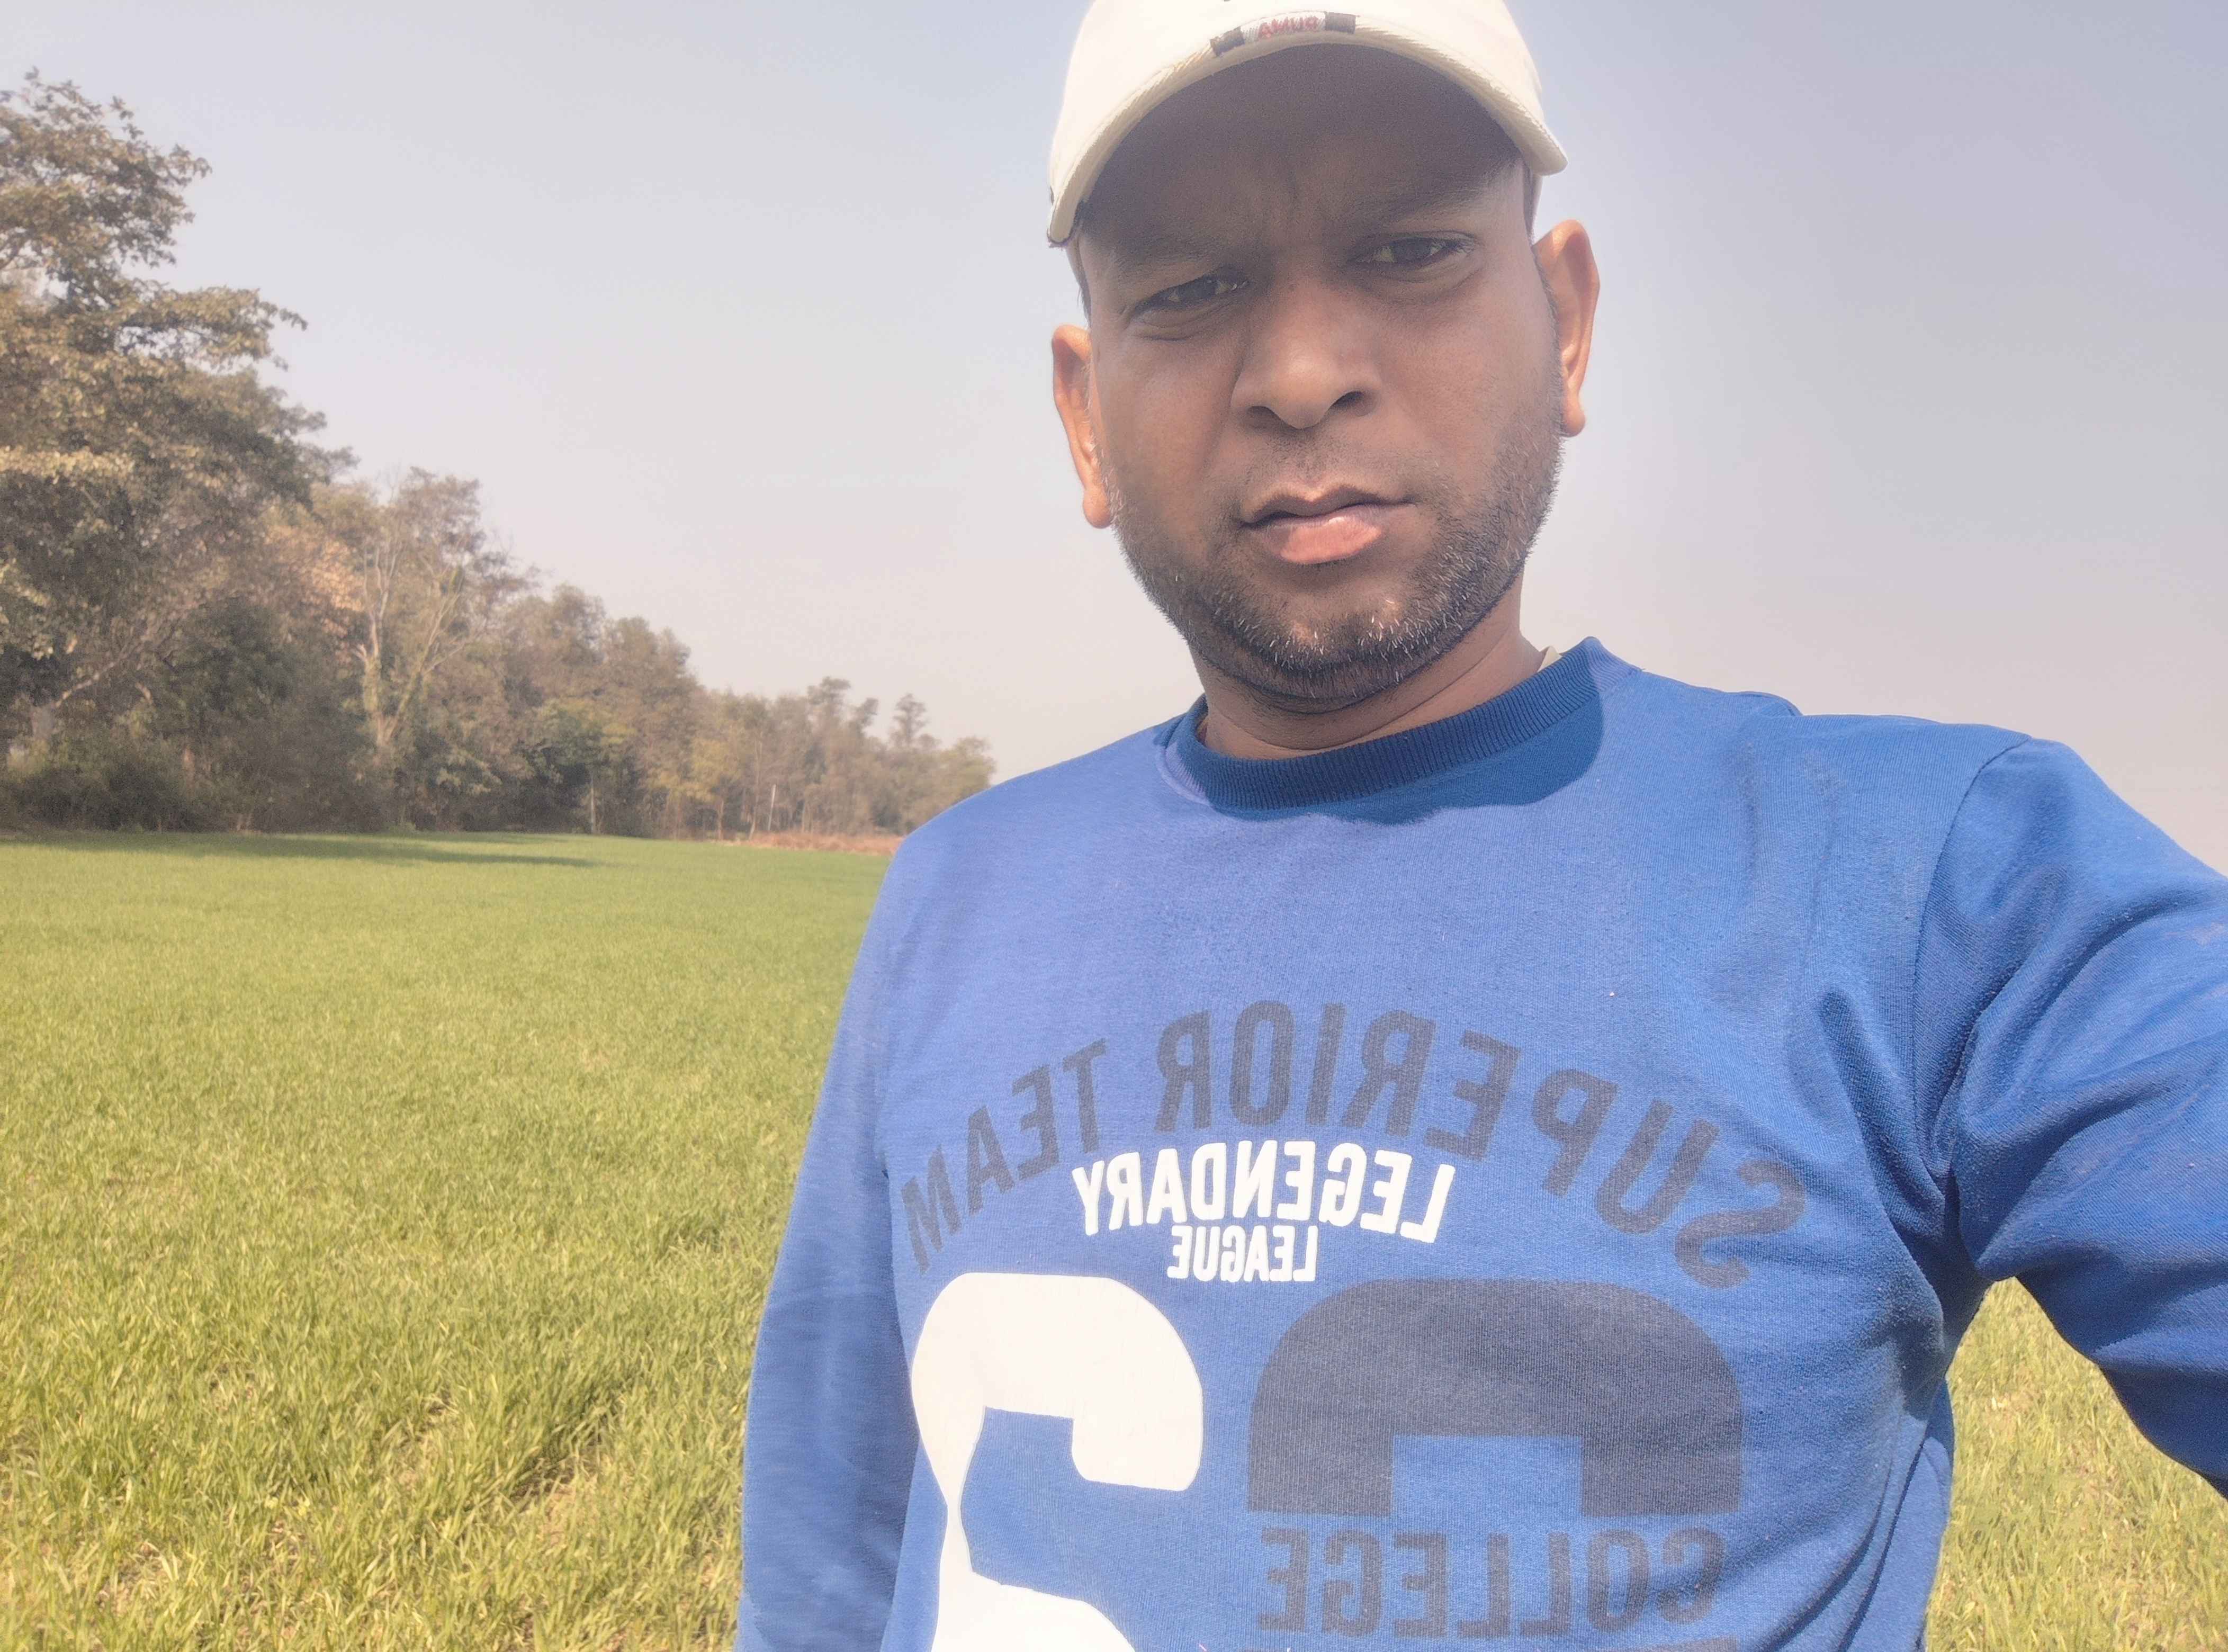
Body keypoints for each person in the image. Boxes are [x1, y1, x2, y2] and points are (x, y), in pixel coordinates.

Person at [735, 3, 2227, 1648]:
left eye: (1409, 250)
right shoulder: (956, 896)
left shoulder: (1942, 883)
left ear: (1566, 325)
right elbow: (830, 1565)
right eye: (1191, 288)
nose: (1301, 374)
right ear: (1086, 419)